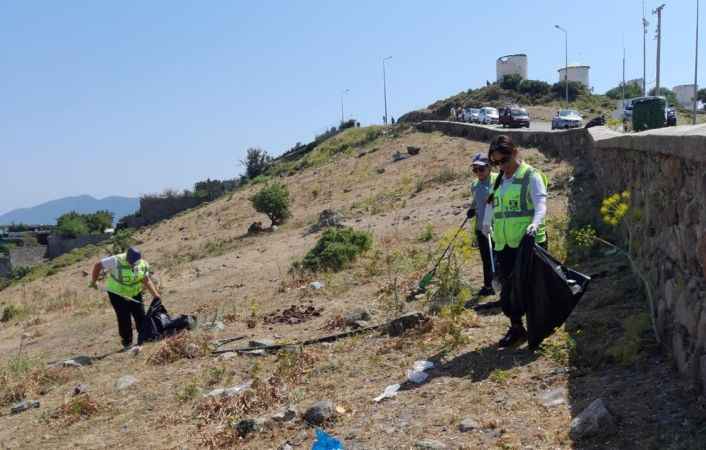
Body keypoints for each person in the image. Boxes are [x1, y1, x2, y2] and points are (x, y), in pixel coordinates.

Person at [483, 135, 548, 348]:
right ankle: (517, 328)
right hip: (504, 244)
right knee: (510, 290)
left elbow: (541, 204)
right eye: (495, 162)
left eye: (504, 160)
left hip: (528, 243)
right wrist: (486, 223)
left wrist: (535, 224)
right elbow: (493, 205)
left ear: (515, 153)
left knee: (531, 288)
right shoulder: (499, 179)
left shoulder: (531, 176)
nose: (501, 166)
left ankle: (538, 330)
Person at [90, 247, 161, 351]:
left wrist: (156, 295)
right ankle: (127, 342)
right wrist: (94, 281)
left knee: (140, 315)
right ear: (127, 257)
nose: (132, 264)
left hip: (134, 292)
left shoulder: (143, 264)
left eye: (134, 262)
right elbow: (98, 265)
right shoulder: (116, 260)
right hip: (117, 293)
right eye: (130, 262)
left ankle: (144, 339)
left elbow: (146, 279)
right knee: (124, 318)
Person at [466, 153, 497, 297]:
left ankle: (502, 285)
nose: (478, 173)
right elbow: (476, 200)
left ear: (489, 167)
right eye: (475, 170)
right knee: (486, 258)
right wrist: (472, 208)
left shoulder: (498, 180)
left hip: (497, 228)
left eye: (481, 169)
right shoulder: (474, 185)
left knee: (498, 257)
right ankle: (488, 285)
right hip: (481, 228)